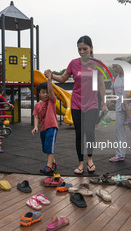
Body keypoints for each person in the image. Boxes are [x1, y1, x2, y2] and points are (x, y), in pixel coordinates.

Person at [45, 35, 108, 174]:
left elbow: (101, 85)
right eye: (79, 49)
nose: (82, 52)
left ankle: (90, 159)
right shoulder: (73, 63)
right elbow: (62, 78)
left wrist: (104, 103)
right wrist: (51, 75)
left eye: (85, 49)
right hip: (76, 103)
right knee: (79, 134)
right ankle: (80, 163)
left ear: (91, 48)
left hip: (92, 103)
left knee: (90, 132)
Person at [109, 63, 131, 162]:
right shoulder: (115, 78)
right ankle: (120, 154)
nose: (115, 68)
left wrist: (127, 99)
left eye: (117, 66)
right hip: (119, 107)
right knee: (119, 131)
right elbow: (112, 90)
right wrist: (112, 97)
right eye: (113, 67)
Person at [32, 72, 58, 175]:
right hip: (43, 128)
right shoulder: (37, 105)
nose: (46, 94)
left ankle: (49, 166)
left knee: (49, 146)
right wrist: (35, 127)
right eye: (43, 92)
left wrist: (49, 79)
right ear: (39, 93)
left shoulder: (51, 101)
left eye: (47, 92)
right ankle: (53, 162)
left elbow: (51, 92)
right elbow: (36, 116)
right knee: (46, 148)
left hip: (52, 126)